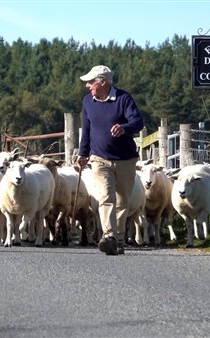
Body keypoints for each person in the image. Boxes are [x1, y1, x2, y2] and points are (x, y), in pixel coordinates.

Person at [76, 65, 144, 255]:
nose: (88, 86)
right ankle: (110, 236)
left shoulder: (123, 99)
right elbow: (87, 129)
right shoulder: (88, 102)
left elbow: (137, 122)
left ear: (102, 82)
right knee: (105, 197)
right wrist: (83, 154)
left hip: (125, 159)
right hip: (99, 159)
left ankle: (119, 239)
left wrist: (124, 128)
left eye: (91, 82)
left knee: (122, 200)